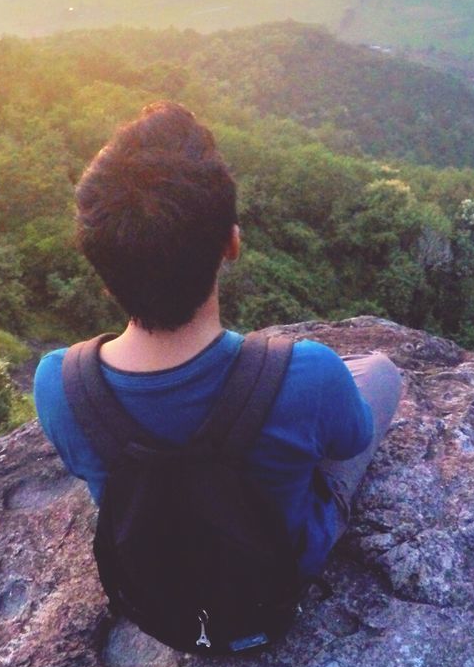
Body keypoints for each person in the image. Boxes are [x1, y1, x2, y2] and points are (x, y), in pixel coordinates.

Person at [33, 101, 402, 583]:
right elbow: (352, 440)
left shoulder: (59, 384)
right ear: (232, 243)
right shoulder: (308, 372)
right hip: (274, 579)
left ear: (102, 271)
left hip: (156, 588)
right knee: (380, 373)